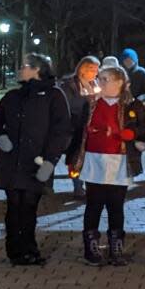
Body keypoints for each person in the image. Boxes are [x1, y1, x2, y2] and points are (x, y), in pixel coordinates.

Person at [0, 53, 73, 266]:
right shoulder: (13, 96)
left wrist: (51, 160)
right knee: (14, 205)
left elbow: (60, 131)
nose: (20, 69)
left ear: (37, 69)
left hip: (36, 162)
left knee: (29, 206)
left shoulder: (54, 96)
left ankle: (29, 248)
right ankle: (15, 250)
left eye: (25, 66)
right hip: (11, 162)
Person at [67, 62, 145, 266]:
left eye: (105, 79)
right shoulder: (91, 104)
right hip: (95, 161)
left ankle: (116, 246)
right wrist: (75, 152)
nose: (100, 82)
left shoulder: (132, 105)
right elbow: (77, 128)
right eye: (99, 79)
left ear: (120, 82)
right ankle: (91, 246)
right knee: (93, 205)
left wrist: (132, 134)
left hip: (119, 163)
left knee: (116, 206)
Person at [59, 56, 100, 197]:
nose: (95, 72)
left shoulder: (96, 84)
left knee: (89, 158)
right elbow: (67, 105)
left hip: (92, 129)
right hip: (75, 127)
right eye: (91, 69)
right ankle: (77, 185)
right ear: (82, 69)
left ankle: (88, 184)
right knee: (75, 158)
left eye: (96, 69)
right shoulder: (70, 85)